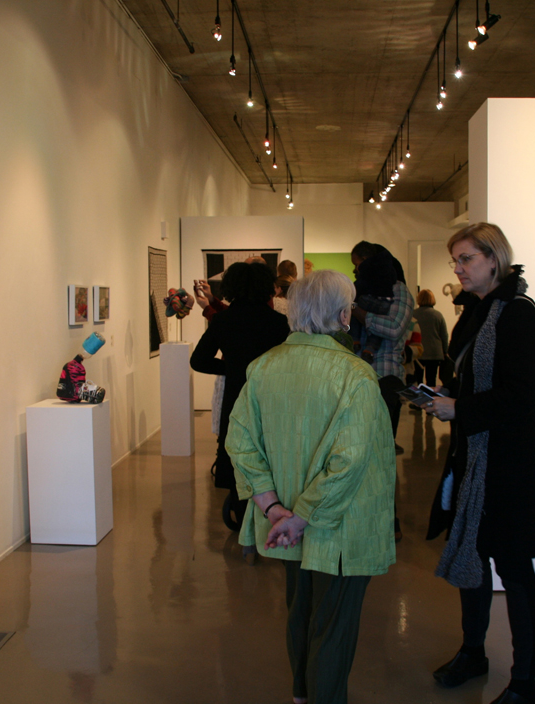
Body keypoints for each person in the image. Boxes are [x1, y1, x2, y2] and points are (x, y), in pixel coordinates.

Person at [226, 270, 396, 704]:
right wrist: (302, 517)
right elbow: (350, 459)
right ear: (343, 315)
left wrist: (273, 510)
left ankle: (301, 695)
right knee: (333, 628)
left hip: (284, 525)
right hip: (338, 529)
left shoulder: (263, 368)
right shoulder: (354, 375)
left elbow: (240, 441)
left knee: (300, 613)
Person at [424, 223, 535, 704]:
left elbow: (520, 397)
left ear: (494, 259)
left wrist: (462, 409)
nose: (458, 269)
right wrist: (445, 396)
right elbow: (470, 381)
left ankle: (524, 683)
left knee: (514, 571)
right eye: (455, 260)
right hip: (472, 458)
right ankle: (473, 652)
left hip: (509, 464)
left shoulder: (518, 314)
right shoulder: (472, 314)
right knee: (470, 561)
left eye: (466, 259)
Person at [189, 262, 289, 552]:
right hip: (270, 399)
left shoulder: (223, 321)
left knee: (237, 457)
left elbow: (198, 361)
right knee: (269, 457)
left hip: (236, 397)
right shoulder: (278, 323)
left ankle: (245, 528)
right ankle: (271, 516)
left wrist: (230, 367)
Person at [349, 241, 414, 456]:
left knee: (380, 450)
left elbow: (394, 328)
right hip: (360, 376)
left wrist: (357, 310)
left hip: (386, 375)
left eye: (357, 264)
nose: (355, 270)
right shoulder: (362, 290)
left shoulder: (399, 290)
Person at [412, 289, 450, 387]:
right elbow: (444, 335)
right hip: (434, 352)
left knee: (418, 380)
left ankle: (419, 401)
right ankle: (431, 400)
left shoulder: (413, 314)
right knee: (431, 380)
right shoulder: (438, 315)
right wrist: (445, 351)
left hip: (417, 352)